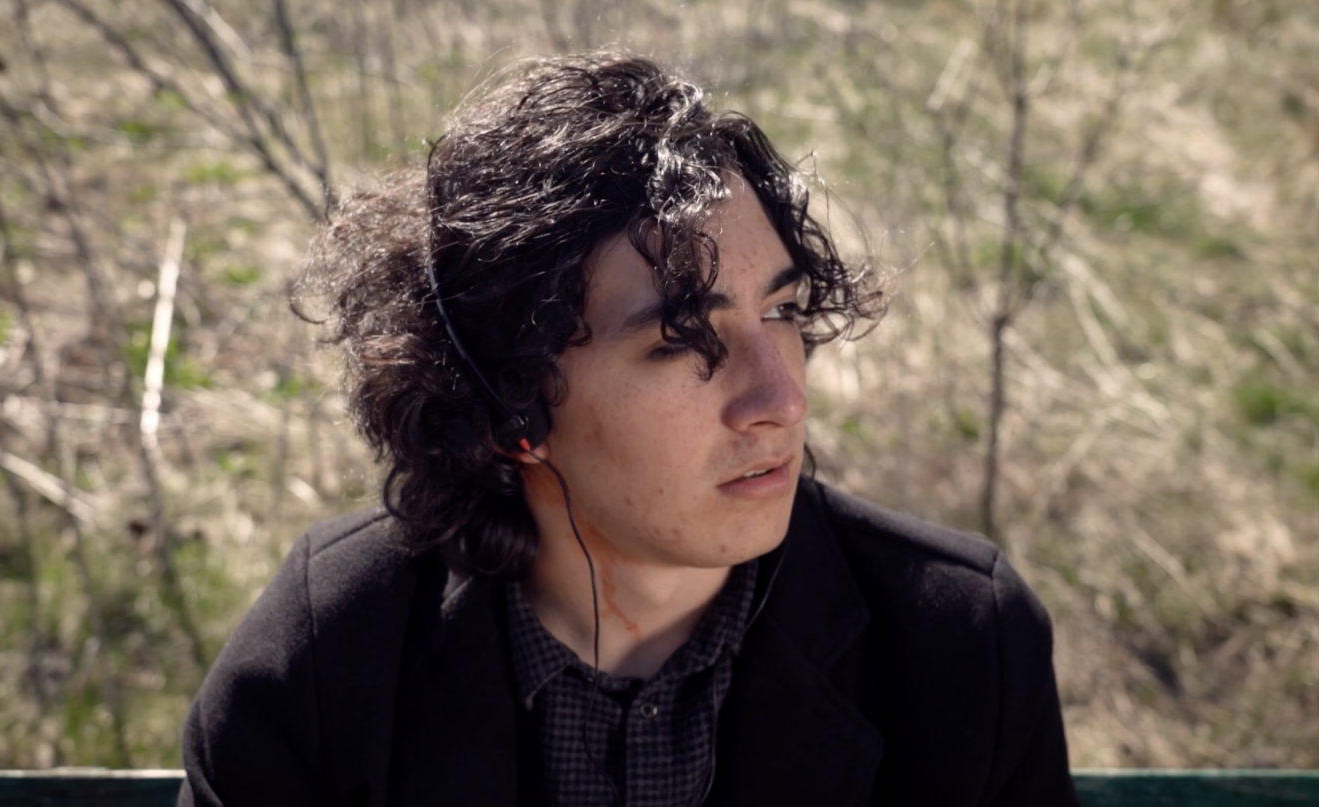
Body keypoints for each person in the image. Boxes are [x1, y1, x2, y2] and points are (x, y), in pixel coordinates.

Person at [177, 52, 1080, 807]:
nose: (781, 397)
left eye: (781, 312)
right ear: (511, 408)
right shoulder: (328, 658)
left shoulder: (960, 645)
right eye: (683, 340)